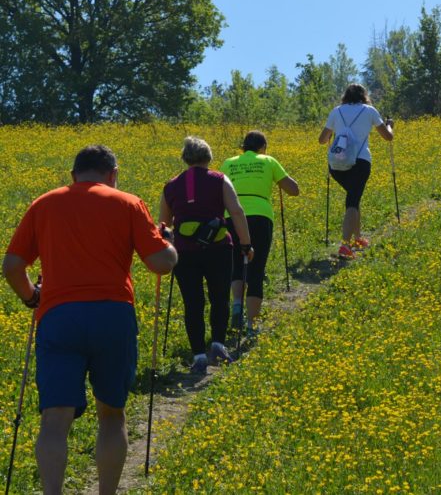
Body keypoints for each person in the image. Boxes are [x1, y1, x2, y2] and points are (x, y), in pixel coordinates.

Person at [3, 145, 177, 495]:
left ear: (73, 175)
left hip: (58, 316)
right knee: (112, 414)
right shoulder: (127, 203)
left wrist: (31, 297)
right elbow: (161, 263)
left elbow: (11, 267)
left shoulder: (45, 203)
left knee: (55, 420)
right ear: (112, 174)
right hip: (112, 315)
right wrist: (169, 244)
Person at [160, 137, 254, 374]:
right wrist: (246, 244)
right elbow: (236, 211)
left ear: (185, 158)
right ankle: (218, 346)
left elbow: (164, 225)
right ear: (208, 157)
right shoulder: (219, 180)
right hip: (218, 248)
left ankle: (199, 356)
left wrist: (165, 252)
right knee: (219, 297)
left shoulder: (171, 185)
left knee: (193, 302)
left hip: (184, 252)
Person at [221, 131, 300, 336]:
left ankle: (237, 304)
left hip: (231, 215)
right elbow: (293, 190)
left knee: (237, 264)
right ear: (263, 147)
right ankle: (251, 326)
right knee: (256, 269)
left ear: (243, 147)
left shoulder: (228, 163)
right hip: (260, 216)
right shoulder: (268, 161)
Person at [319, 83, 394, 260]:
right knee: (353, 200)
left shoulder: (336, 111)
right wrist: (390, 124)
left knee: (354, 196)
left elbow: (322, 140)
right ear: (364, 96)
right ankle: (345, 245)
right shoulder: (369, 111)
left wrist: (335, 133)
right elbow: (388, 137)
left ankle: (358, 238)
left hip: (337, 164)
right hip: (360, 161)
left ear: (345, 96)